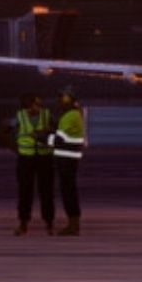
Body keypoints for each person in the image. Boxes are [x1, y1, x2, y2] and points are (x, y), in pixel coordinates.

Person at [14, 93, 58, 236]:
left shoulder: (47, 115)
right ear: (27, 106)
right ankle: (23, 223)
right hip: (26, 158)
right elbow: (7, 132)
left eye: (38, 105)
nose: (37, 107)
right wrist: (15, 147)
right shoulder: (19, 117)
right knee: (25, 191)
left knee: (47, 192)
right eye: (34, 105)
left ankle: (49, 223)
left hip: (44, 157)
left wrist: (48, 137)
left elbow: (57, 131)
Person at [51, 91, 88, 235]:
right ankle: (73, 224)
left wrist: (41, 138)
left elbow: (58, 140)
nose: (59, 103)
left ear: (67, 102)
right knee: (69, 191)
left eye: (61, 101)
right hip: (69, 158)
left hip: (67, 160)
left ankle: (73, 225)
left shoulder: (69, 116)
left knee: (68, 192)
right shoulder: (74, 114)